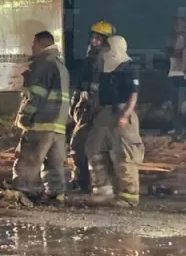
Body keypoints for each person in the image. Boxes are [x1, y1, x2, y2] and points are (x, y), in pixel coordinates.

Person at [86, 34, 145, 207]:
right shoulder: (103, 68)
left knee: (125, 154)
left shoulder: (129, 67)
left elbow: (133, 93)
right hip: (104, 113)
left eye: (107, 47)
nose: (103, 50)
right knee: (94, 149)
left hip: (121, 112)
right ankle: (103, 190)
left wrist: (125, 114)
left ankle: (129, 196)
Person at [13, 30, 72, 201]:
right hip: (58, 125)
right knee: (55, 163)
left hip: (41, 122)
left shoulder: (43, 64)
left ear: (41, 44)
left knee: (29, 159)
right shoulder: (60, 65)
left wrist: (25, 116)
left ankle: (24, 192)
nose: (32, 48)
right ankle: (56, 194)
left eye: (33, 44)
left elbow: (36, 94)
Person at [68, 20, 114, 192]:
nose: (93, 42)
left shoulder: (112, 63)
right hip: (86, 110)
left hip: (102, 111)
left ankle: (101, 183)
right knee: (78, 145)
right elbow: (78, 87)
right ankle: (82, 181)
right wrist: (74, 106)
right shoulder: (87, 62)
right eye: (93, 38)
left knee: (97, 147)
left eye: (98, 39)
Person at [166, 17, 186, 139]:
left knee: (184, 106)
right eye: (176, 25)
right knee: (174, 104)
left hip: (184, 76)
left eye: (180, 25)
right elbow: (169, 52)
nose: (178, 27)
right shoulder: (173, 39)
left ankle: (185, 130)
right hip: (174, 74)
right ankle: (177, 128)